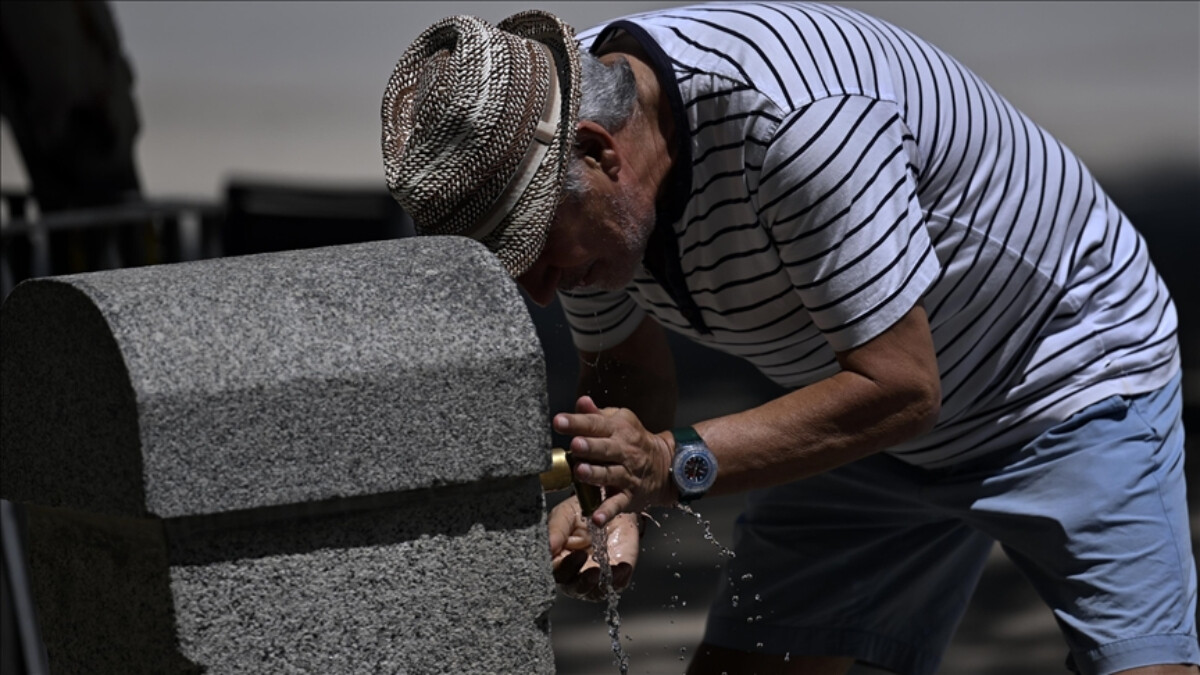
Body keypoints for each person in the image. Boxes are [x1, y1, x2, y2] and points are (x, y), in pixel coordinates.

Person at [380, 3, 1197, 674]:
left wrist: (667, 465)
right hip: (862, 405)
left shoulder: (797, 124)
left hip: (1059, 376)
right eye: (511, 264)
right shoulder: (562, 131)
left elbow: (902, 388)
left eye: (539, 248)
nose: (538, 291)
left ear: (600, 156)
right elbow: (625, 360)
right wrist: (615, 501)